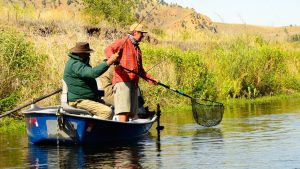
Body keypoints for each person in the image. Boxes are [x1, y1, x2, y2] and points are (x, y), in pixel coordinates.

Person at [104, 23, 157, 122]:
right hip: (122, 81)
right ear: (136, 32)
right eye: (141, 33)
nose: (143, 36)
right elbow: (108, 49)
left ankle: (127, 131)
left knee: (130, 112)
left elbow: (140, 70)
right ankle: (122, 131)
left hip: (133, 83)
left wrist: (151, 79)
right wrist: (113, 59)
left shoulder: (138, 49)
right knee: (123, 110)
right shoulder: (124, 42)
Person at [64, 42, 119, 120]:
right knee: (107, 112)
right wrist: (108, 62)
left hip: (84, 98)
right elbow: (93, 73)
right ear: (80, 54)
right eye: (87, 53)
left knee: (111, 107)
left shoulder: (78, 63)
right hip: (78, 101)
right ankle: (94, 130)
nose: (89, 55)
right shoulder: (76, 64)